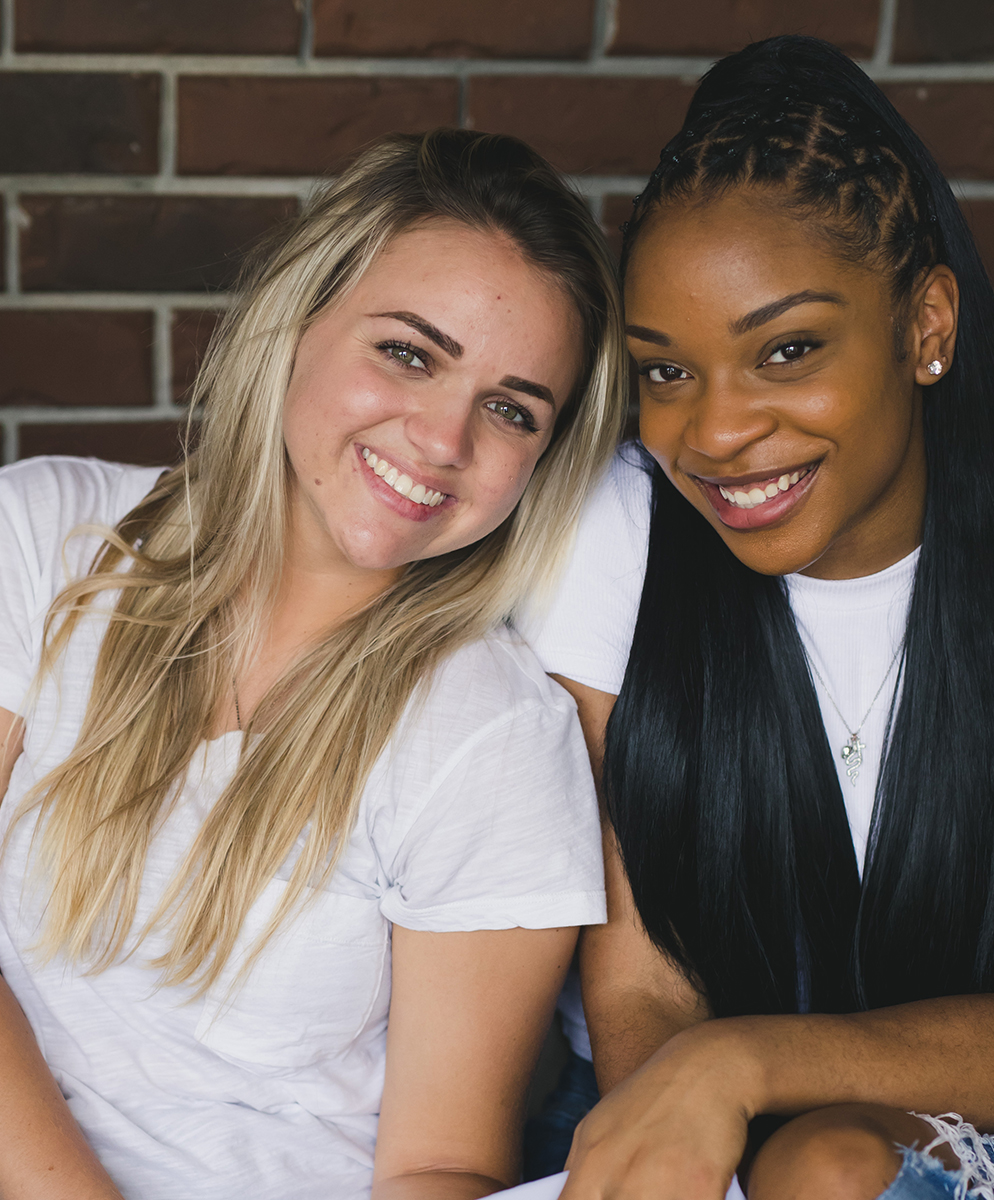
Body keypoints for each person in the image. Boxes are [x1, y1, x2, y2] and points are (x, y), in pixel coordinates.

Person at [515, 36, 994, 1200]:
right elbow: (639, 993)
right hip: (660, 1129)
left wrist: (740, 1064)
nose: (716, 433)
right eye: (668, 372)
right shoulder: (615, 538)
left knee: (834, 1168)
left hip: (963, 1143)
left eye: (787, 350)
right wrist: (707, 1127)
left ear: (926, 325)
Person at [0, 128, 626, 1200]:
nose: (442, 439)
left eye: (512, 409)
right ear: (297, 320)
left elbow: (440, 1164)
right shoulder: (45, 539)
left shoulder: (492, 734)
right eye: (410, 352)